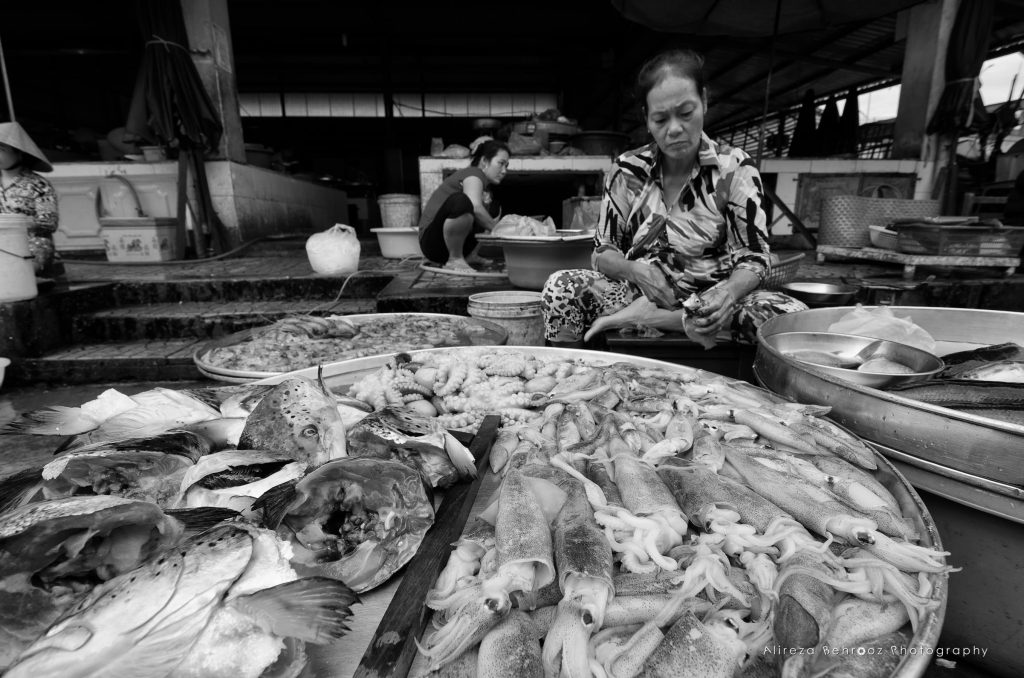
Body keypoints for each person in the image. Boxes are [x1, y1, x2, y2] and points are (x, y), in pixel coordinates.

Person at [541, 49, 806, 348]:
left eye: (686, 113)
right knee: (559, 288)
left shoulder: (734, 168)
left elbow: (754, 257)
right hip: (635, 294)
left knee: (788, 316)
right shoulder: (626, 170)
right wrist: (636, 272)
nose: (675, 129)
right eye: (660, 119)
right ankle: (567, 378)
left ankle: (649, 319)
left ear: (704, 101)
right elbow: (603, 252)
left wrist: (728, 293)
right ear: (646, 118)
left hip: (712, 301)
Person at [418, 139, 509, 271]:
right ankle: (455, 259)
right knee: (463, 201)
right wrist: (504, 232)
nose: (504, 170)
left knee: (492, 207)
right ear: (484, 161)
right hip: (432, 244)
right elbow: (476, 207)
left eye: (507, 165)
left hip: (452, 244)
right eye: (501, 164)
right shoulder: (474, 173)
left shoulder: (485, 189)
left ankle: (470, 255)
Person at [0, 122, 59, 275]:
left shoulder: (38, 184)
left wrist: (17, 224)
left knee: (27, 258)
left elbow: (49, 223)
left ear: (19, 153)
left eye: (1, 149)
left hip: (32, 243)